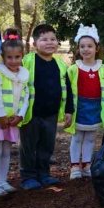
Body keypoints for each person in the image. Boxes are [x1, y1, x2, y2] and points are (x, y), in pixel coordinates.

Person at [20, 24, 74, 190]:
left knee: (46, 146)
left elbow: (68, 88)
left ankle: (44, 173)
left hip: (51, 113)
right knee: (29, 146)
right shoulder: (27, 61)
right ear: (35, 43)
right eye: (44, 39)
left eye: (52, 39)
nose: (49, 42)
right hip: (31, 113)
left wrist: (69, 110)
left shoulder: (60, 64)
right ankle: (28, 176)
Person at [66, 25, 104, 180]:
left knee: (91, 137)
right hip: (79, 107)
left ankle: (86, 164)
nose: (86, 49)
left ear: (96, 48)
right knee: (77, 137)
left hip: (95, 107)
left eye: (89, 46)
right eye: (82, 46)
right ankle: (74, 166)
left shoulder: (103, 68)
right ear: (78, 48)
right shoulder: (73, 69)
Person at [0, 30, 29, 195]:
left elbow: (26, 96)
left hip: (13, 120)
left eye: (17, 57)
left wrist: (20, 115)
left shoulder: (24, 75)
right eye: (9, 57)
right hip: (0, 120)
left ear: (22, 56)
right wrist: (1, 116)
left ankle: (2, 181)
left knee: (6, 151)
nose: (13, 61)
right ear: (3, 58)